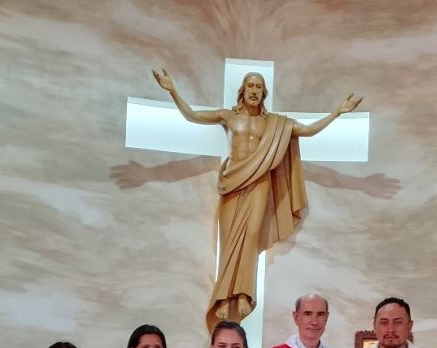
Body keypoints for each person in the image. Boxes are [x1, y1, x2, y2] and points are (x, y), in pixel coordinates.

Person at [152, 68, 361, 329]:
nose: (254, 90)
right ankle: (223, 298)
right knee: (229, 243)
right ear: (243, 89)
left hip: (259, 182)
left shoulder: (275, 124)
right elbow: (192, 115)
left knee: (251, 236)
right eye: (250, 85)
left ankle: (243, 293)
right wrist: (173, 91)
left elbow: (306, 131)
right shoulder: (227, 116)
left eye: (258, 87)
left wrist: (337, 112)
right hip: (232, 183)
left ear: (264, 93)